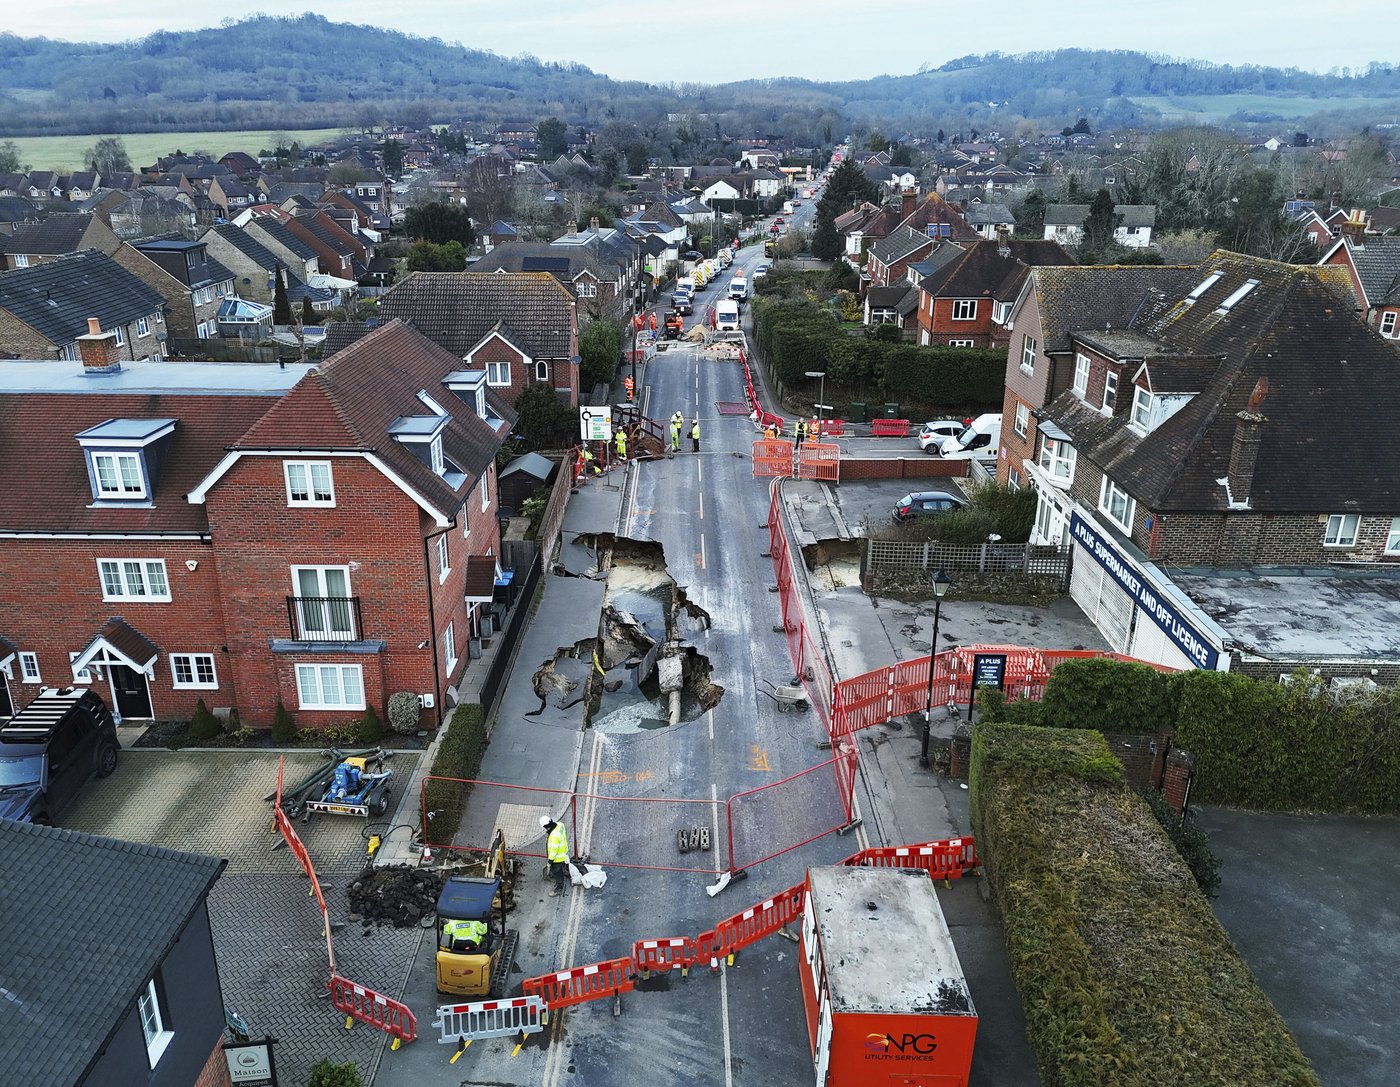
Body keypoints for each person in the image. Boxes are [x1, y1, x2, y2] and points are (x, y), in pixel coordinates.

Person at [542, 815, 570, 897]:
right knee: (561, 867)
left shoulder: (554, 836)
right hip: (563, 851)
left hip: (557, 858)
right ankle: (564, 871)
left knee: (556, 871)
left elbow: (554, 850)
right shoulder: (560, 824)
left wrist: (550, 861)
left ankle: (559, 888)